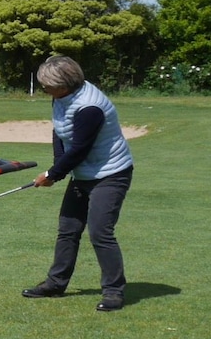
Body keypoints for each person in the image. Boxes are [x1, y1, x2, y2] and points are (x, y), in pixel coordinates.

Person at [21, 54, 133, 312]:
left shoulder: (89, 107)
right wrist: (57, 167)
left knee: (100, 232)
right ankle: (56, 283)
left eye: (47, 86)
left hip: (111, 174)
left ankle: (114, 292)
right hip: (82, 174)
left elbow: (80, 148)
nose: (44, 90)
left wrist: (52, 175)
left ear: (64, 84)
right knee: (68, 228)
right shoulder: (60, 97)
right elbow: (59, 131)